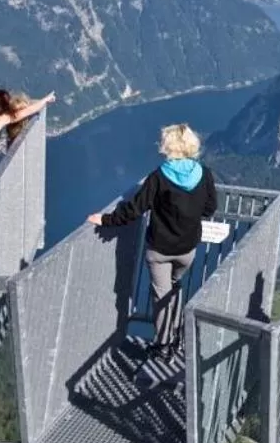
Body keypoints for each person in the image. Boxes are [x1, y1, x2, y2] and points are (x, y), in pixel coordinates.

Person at [90, 123, 218, 369]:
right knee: (174, 287)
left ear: (168, 146)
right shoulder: (204, 174)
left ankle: (164, 346)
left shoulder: (159, 177)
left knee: (161, 298)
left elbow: (134, 209)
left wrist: (105, 220)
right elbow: (209, 208)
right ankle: (177, 332)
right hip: (187, 249)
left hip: (160, 250)